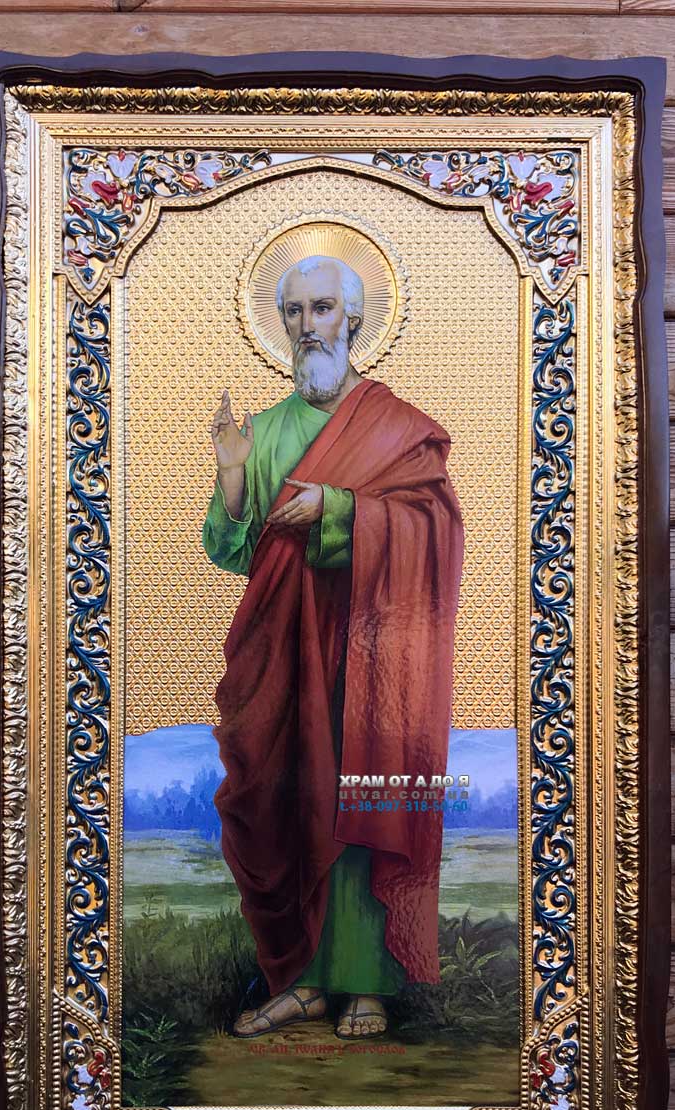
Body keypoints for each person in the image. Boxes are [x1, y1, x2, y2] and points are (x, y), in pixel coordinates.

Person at [202, 254, 464, 1040]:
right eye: (294, 311)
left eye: (321, 308)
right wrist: (232, 479)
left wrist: (341, 509)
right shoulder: (264, 432)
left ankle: (365, 985)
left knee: (360, 800)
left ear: (352, 319)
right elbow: (235, 553)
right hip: (287, 651)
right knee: (285, 801)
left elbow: (436, 528)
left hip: (374, 649)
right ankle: (303, 980)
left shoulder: (399, 428)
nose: (307, 326)